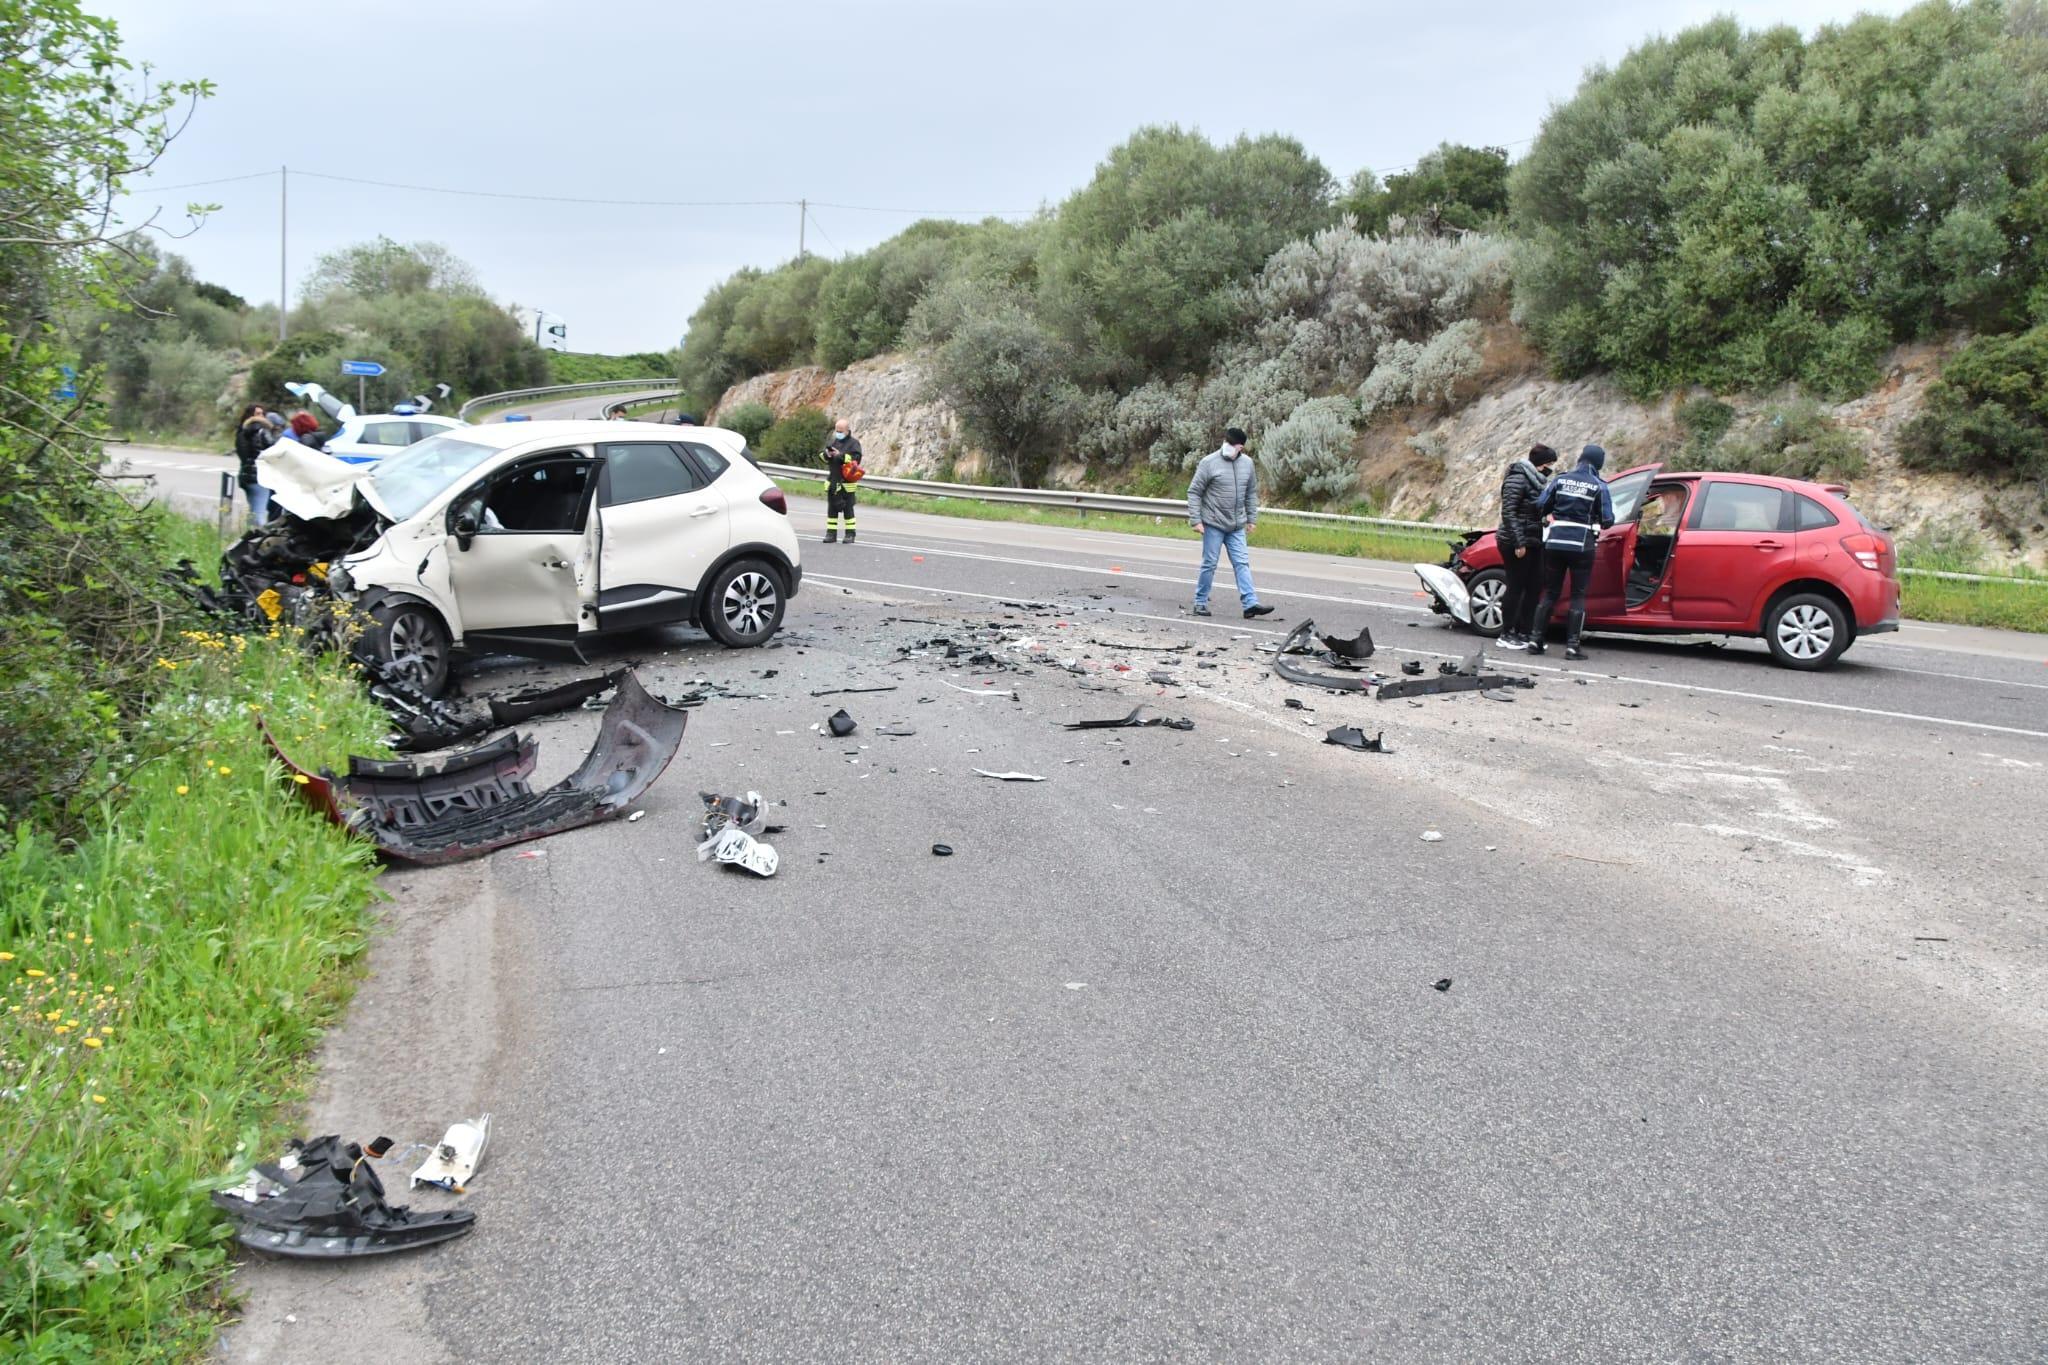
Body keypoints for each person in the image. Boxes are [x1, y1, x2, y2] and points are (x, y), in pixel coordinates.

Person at [1526, 443, 1615, 660]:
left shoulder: (1560, 479)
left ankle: (1535, 640)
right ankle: (1572, 646)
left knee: (1551, 593)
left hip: (1555, 543)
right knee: (1578, 594)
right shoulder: (1598, 486)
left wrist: (1554, 513)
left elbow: (1541, 504)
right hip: (1581, 545)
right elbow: (1607, 520)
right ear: (1598, 463)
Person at [1185, 427, 1274, 620]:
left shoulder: (1248, 464)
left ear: (1240, 447)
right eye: (1226, 441)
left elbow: (1250, 493)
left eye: (1232, 444)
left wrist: (1252, 518)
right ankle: (1200, 603)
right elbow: (1194, 492)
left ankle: (1250, 604)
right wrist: (1196, 520)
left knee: (1242, 563)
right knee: (1209, 564)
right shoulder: (1208, 462)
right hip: (1213, 523)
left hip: (1236, 526)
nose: (1227, 446)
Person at [1493, 443, 1557, 650]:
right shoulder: (1517, 478)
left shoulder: (1539, 482)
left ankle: (1525, 631)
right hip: (1515, 541)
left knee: (1535, 586)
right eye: (1548, 464)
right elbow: (1509, 513)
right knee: (1516, 586)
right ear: (1538, 464)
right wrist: (1519, 542)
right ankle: (1507, 633)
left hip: (1534, 539)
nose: (1549, 468)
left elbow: (1535, 509)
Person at [233, 403, 275, 526]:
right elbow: (273, 450)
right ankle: (256, 540)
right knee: (259, 514)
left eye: (262, 413)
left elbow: (243, 454)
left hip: (246, 475)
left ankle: (248, 539)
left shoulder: (241, 433)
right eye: (258, 413)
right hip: (258, 476)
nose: (261, 416)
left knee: (253, 511)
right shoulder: (262, 432)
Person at [822, 419, 863, 543]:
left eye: (840, 431)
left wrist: (840, 455)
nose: (838, 433)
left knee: (848, 510)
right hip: (833, 482)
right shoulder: (833, 441)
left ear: (847, 430)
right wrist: (826, 455)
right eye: (837, 431)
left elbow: (856, 459)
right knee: (832, 510)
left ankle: (850, 534)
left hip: (846, 483)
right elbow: (823, 457)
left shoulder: (854, 443)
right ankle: (831, 534)